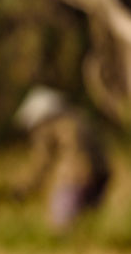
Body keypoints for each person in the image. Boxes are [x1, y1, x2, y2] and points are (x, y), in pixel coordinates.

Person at [14, 86, 110, 232]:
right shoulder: (79, 118)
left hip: (74, 178)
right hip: (101, 175)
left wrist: (25, 187)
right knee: (88, 224)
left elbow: (42, 161)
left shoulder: (47, 126)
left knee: (62, 227)